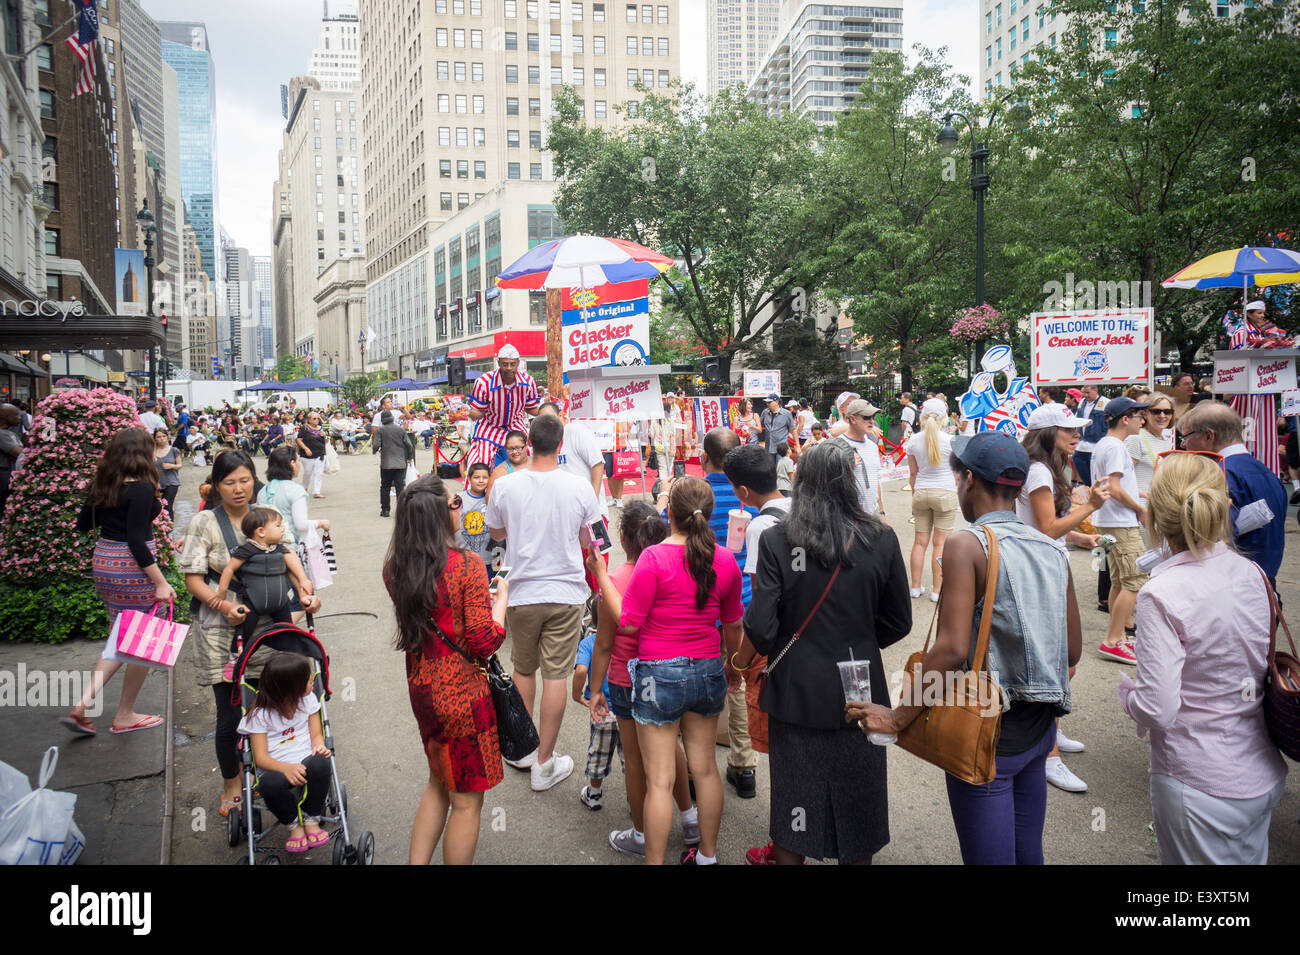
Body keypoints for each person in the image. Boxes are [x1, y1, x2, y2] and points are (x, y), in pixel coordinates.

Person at [851, 431, 1081, 865]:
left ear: (968, 479)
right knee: (1027, 854)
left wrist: (899, 715)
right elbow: (1070, 653)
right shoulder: (1053, 550)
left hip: (988, 736)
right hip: (1039, 730)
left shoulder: (967, 543)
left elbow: (952, 648)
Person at [734, 441, 911, 865]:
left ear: (800, 482)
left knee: (795, 802)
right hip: (861, 684)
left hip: (796, 685)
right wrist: (859, 643)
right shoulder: (880, 539)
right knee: (859, 802)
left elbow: (759, 625)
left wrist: (766, 655)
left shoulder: (779, 541)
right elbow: (899, 620)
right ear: (850, 483)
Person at [1118, 453, 1286, 864]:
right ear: (1224, 506)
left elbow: (1157, 708)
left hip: (1200, 784)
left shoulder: (1162, 592)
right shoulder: (1251, 572)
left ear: (1154, 513)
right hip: (1260, 767)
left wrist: (1128, 698)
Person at [180, 450, 323, 818]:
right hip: (224, 633)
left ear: (254, 480)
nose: (239, 489)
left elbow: (290, 559)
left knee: (286, 704)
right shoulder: (204, 522)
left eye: (245, 480)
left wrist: (306, 593)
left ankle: (283, 769)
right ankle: (232, 784)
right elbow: (193, 578)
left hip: (274, 629)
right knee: (231, 716)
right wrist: (223, 605)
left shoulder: (269, 516)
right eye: (229, 482)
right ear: (216, 485)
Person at [611, 477, 744, 865]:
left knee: (660, 780)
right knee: (705, 770)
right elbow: (733, 625)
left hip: (658, 675)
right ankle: (707, 856)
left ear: (669, 513)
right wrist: (733, 667)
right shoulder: (724, 561)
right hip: (707, 670)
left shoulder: (652, 559)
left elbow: (631, 625)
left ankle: (654, 859)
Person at [385, 475, 509, 864]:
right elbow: (483, 640)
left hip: (423, 687)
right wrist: (500, 602)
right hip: (462, 694)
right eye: (455, 503)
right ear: (438, 515)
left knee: (439, 781)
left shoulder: (395, 568)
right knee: (467, 801)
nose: (461, 508)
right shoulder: (467, 565)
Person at [485, 413, 602, 790]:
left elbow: (496, 532)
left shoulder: (505, 485)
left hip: (519, 591)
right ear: (561, 444)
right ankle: (545, 761)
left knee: (523, 668)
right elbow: (593, 540)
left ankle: (522, 749)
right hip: (566, 592)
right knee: (556, 675)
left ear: (528, 444)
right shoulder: (580, 487)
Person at [585, 503, 698, 858]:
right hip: (670, 670)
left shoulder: (615, 580)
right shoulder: (679, 567)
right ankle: (691, 817)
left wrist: (595, 690)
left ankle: (640, 834)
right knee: (672, 748)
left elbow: (603, 644)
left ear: (621, 538)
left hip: (625, 677)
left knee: (635, 760)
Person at [657, 427, 759, 798]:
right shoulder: (749, 496)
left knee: (690, 685)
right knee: (736, 684)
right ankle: (744, 765)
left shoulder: (693, 495)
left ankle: (691, 773)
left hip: (698, 606)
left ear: (704, 458)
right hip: (742, 604)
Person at [1018, 403, 1109, 794]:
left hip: (1044, 564)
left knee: (1059, 657)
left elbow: (1049, 528)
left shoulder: (1049, 468)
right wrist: (1090, 508)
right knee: (1056, 659)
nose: (1077, 435)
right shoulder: (1038, 470)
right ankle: (1048, 754)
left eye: (1077, 429)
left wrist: (1079, 536)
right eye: (1068, 429)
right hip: (1037, 570)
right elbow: (1046, 527)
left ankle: (1052, 732)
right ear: (1047, 434)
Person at [61, 428, 175, 737]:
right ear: (142, 453)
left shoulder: (104, 484)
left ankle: (82, 706)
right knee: (144, 641)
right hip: (133, 568)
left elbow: (83, 524)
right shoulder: (139, 489)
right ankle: (124, 714)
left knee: (120, 637)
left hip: (104, 563)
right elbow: (137, 541)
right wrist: (161, 582)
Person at [1179, 400, 1288, 590]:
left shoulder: (1219, 474)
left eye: (1186, 436)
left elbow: (1212, 537)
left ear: (1208, 435)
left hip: (1231, 585)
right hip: (1264, 581)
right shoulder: (1267, 472)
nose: (1183, 444)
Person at [236, 652, 333, 853]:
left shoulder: (308, 701)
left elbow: (316, 735)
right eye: (308, 680)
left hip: (307, 761)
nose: (313, 681)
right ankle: (293, 825)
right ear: (291, 688)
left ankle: (312, 817)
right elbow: (261, 758)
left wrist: (319, 746)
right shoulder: (260, 715)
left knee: (323, 761)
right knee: (268, 784)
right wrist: (285, 768)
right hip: (276, 769)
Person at [1092, 396, 1151, 663]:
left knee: (1119, 581)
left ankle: (1117, 637)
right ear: (1125, 419)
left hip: (1108, 520)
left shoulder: (1105, 444)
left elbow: (1115, 485)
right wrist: (1139, 508)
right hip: (1120, 522)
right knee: (1136, 580)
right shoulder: (1116, 446)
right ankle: (1114, 640)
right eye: (1140, 415)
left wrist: (1137, 494)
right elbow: (1114, 489)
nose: (1144, 420)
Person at [210, 507, 313, 651]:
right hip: (253, 602)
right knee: (246, 631)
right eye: (278, 526)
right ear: (261, 532)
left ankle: (288, 654)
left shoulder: (279, 548)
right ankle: (235, 656)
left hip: (281, 603)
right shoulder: (247, 550)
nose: (282, 529)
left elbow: (292, 558)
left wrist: (303, 580)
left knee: (287, 630)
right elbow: (229, 569)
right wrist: (222, 591)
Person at [905, 397, 957, 601]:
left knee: (920, 543)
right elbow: (957, 474)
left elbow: (912, 473)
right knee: (940, 544)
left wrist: (914, 495)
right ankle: (937, 590)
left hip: (921, 491)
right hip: (945, 492)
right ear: (944, 418)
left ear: (922, 417)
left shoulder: (913, 441)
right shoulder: (950, 441)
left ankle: (915, 587)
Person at [573, 629, 625, 811]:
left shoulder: (588, 643)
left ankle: (594, 794)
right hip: (627, 707)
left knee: (599, 753)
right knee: (632, 759)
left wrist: (576, 694)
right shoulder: (627, 640)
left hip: (602, 711)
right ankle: (636, 801)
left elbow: (581, 670)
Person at [466, 345, 541, 469]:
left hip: (515, 426)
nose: (509, 368)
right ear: (498, 363)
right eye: (505, 364)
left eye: (512, 364)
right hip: (489, 427)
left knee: (526, 460)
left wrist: (549, 411)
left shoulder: (528, 382)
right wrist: (467, 412)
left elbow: (530, 408)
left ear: (518, 362)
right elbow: (479, 412)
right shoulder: (483, 382)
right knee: (481, 464)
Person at [538, 401, 605, 506]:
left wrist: (594, 498)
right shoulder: (548, 440)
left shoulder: (575, 431)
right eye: (542, 420)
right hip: (567, 507)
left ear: (560, 415)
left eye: (550, 418)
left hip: (587, 505)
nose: (547, 423)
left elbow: (597, 463)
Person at [832, 398, 886, 520]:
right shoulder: (837, 445)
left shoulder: (872, 446)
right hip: (848, 515)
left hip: (873, 512)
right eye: (866, 417)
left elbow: (875, 480)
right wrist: (847, 466)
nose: (872, 421)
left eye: (873, 417)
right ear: (852, 419)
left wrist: (881, 513)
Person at [1126, 393, 1175, 497]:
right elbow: (1122, 479)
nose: (1162, 416)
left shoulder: (1167, 440)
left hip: (1159, 505)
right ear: (1145, 414)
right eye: (1156, 411)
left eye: (1167, 412)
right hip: (1140, 506)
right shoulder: (1136, 438)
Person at [374, 410, 413, 518]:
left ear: (382, 420)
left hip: (386, 463)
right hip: (400, 463)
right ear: (392, 418)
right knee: (400, 487)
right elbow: (409, 445)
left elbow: (376, 444)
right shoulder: (400, 429)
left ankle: (385, 510)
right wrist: (409, 458)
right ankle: (402, 511)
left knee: (385, 486)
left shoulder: (380, 430)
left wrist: (375, 450)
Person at [1072, 385, 1108, 485]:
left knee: (1096, 478)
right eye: (1083, 392)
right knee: (1084, 475)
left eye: (1087, 393)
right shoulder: (1082, 402)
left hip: (1096, 446)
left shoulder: (1105, 403)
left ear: (1096, 390)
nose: (1085, 395)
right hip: (1081, 446)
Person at [456, 463, 493, 560]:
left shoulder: (492, 499)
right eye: (476, 477)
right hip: (463, 557)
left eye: (485, 477)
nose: (481, 480)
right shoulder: (458, 498)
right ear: (469, 478)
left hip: (487, 558)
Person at [150, 427, 183, 522]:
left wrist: (171, 466)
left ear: (167, 437)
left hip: (172, 482)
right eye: (159, 437)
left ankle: (169, 528)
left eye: (164, 436)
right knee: (157, 507)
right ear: (155, 439)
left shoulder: (174, 450)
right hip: (157, 483)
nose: (162, 438)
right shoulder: (152, 452)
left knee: (167, 506)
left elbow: (180, 465)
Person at [295, 412, 328, 499]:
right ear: (309, 420)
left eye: (318, 418)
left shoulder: (321, 428)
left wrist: (325, 436)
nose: (317, 420)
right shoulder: (304, 428)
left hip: (320, 454)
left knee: (319, 473)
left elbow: (326, 442)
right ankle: (304, 488)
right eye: (314, 418)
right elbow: (298, 440)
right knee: (307, 473)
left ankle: (317, 491)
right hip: (307, 455)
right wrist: (305, 448)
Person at [487, 428, 529, 496]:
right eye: (510, 449)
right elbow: (490, 500)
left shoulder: (537, 463)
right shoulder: (500, 472)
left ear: (526, 446)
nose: (515, 452)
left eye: (518, 448)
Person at [757, 393, 795, 462]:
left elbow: (792, 430)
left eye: (769, 402)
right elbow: (759, 425)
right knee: (770, 468)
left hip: (781, 446)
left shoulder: (786, 414)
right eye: (766, 402)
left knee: (780, 468)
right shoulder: (765, 412)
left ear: (777, 402)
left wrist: (797, 445)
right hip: (769, 446)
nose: (767, 404)